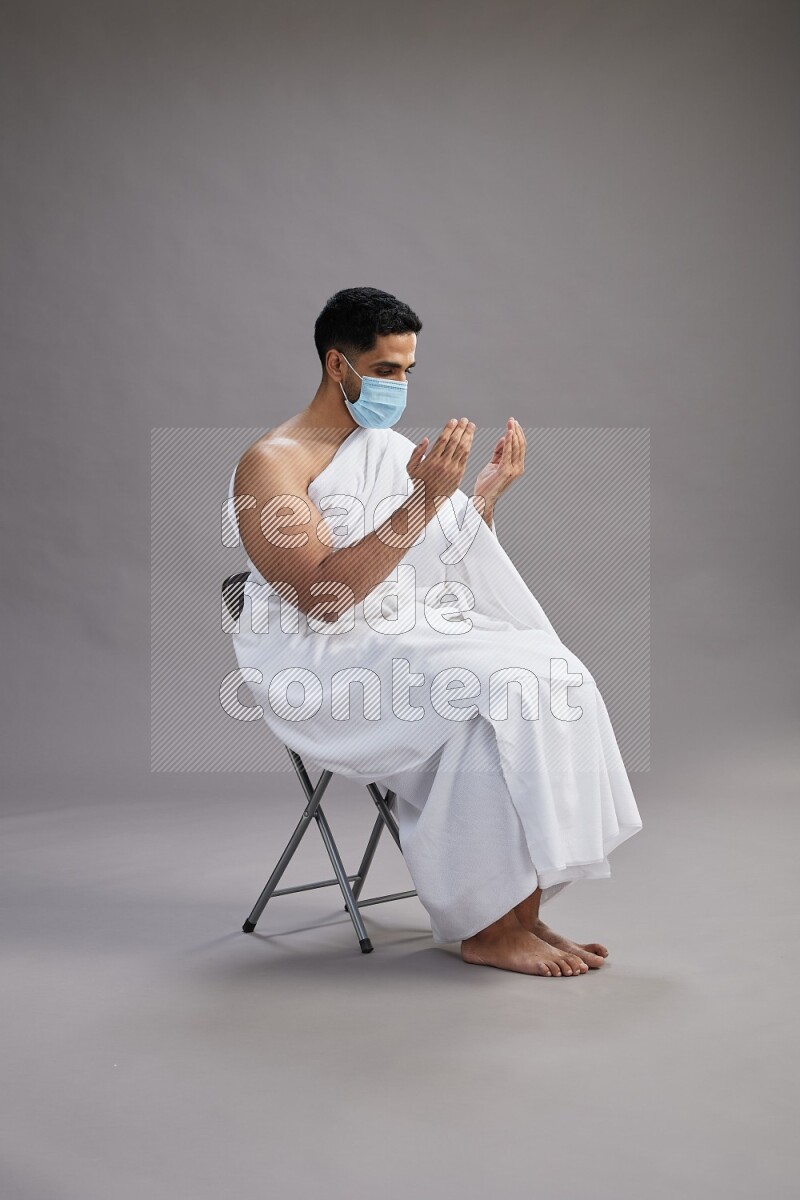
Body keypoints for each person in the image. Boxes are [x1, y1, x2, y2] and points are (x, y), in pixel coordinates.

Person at [226, 286, 643, 977]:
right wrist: (424, 501)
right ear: (338, 365)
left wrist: (478, 499)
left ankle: (520, 912)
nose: (400, 386)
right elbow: (325, 597)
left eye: (407, 372)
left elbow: (435, 571)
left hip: (399, 630)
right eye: (386, 370)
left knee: (551, 670)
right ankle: (487, 925)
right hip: (319, 656)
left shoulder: (385, 450)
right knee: (493, 691)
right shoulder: (271, 463)